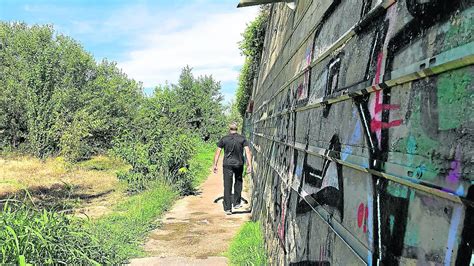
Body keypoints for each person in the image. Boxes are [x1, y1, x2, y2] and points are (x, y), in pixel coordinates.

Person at [213, 122, 252, 215]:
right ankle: (237, 203)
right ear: (237, 128)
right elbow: (247, 152)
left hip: (227, 165)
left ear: (229, 129)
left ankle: (227, 208)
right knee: (238, 183)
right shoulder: (242, 139)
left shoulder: (224, 139)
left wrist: (215, 164)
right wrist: (249, 165)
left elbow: (218, 152)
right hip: (239, 164)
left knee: (227, 185)